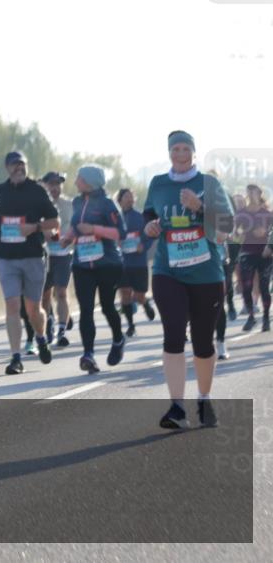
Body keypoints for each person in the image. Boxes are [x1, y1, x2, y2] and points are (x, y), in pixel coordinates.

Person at [143, 131, 233, 429]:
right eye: (175, 149)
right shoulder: (158, 183)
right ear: (169, 152)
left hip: (206, 273)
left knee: (203, 342)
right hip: (167, 270)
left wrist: (200, 208)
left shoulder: (209, 184)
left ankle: (204, 398)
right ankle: (177, 408)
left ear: (194, 153)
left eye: (185, 149)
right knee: (173, 333)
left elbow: (226, 228)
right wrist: (151, 227)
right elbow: (149, 216)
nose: (180, 154)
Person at [0, 152, 59, 374]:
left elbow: (55, 221)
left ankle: (41, 337)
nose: (19, 168)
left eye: (22, 164)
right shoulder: (0, 191)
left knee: (33, 309)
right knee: (12, 306)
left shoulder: (37, 190)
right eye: (14, 165)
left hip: (33, 257)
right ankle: (16, 358)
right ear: (7, 168)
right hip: (7, 258)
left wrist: (35, 227)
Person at [60, 166, 126, 374]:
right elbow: (76, 226)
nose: (76, 181)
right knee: (86, 309)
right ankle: (88, 355)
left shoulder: (108, 204)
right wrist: (67, 238)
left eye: (79, 178)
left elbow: (120, 233)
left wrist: (94, 230)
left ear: (89, 181)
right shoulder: (77, 202)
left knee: (107, 307)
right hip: (82, 265)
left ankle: (118, 339)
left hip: (107, 264)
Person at [116, 188, 156, 337]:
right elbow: (111, 236)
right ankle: (131, 326)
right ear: (120, 200)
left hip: (138, 263)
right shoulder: (115, 218)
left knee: (138, 296)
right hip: (122, 263)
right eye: (126, 196)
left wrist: (143, 246)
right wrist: (116, 242)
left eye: (131, 196)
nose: (129, 199)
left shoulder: (141, 217)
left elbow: (150, 236)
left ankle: (145, 303)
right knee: (125, 293)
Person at [40, 171, 74, 347]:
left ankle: (61, 331)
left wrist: (70, 239)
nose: (55, 187)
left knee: (61, 292)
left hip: (63, 254)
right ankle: (48, 327)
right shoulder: (39, 203)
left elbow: (75, 227)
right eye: (51, 184)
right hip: (44, 255)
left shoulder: (69, 204)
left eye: (58, 184)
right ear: (45, 185)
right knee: (45, 296)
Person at [235, 184, 272, 332]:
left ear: (259, 194)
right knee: (246, 287)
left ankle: (266, 318)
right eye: (248, 191)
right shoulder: (241, 214)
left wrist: (269, 245)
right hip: (247, 252)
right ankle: (251, 316)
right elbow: (234, 234)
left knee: (264, 287)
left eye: (254, 191)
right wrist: (239, 235)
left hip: (265, 254)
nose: (251, 194)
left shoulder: (267, 214)